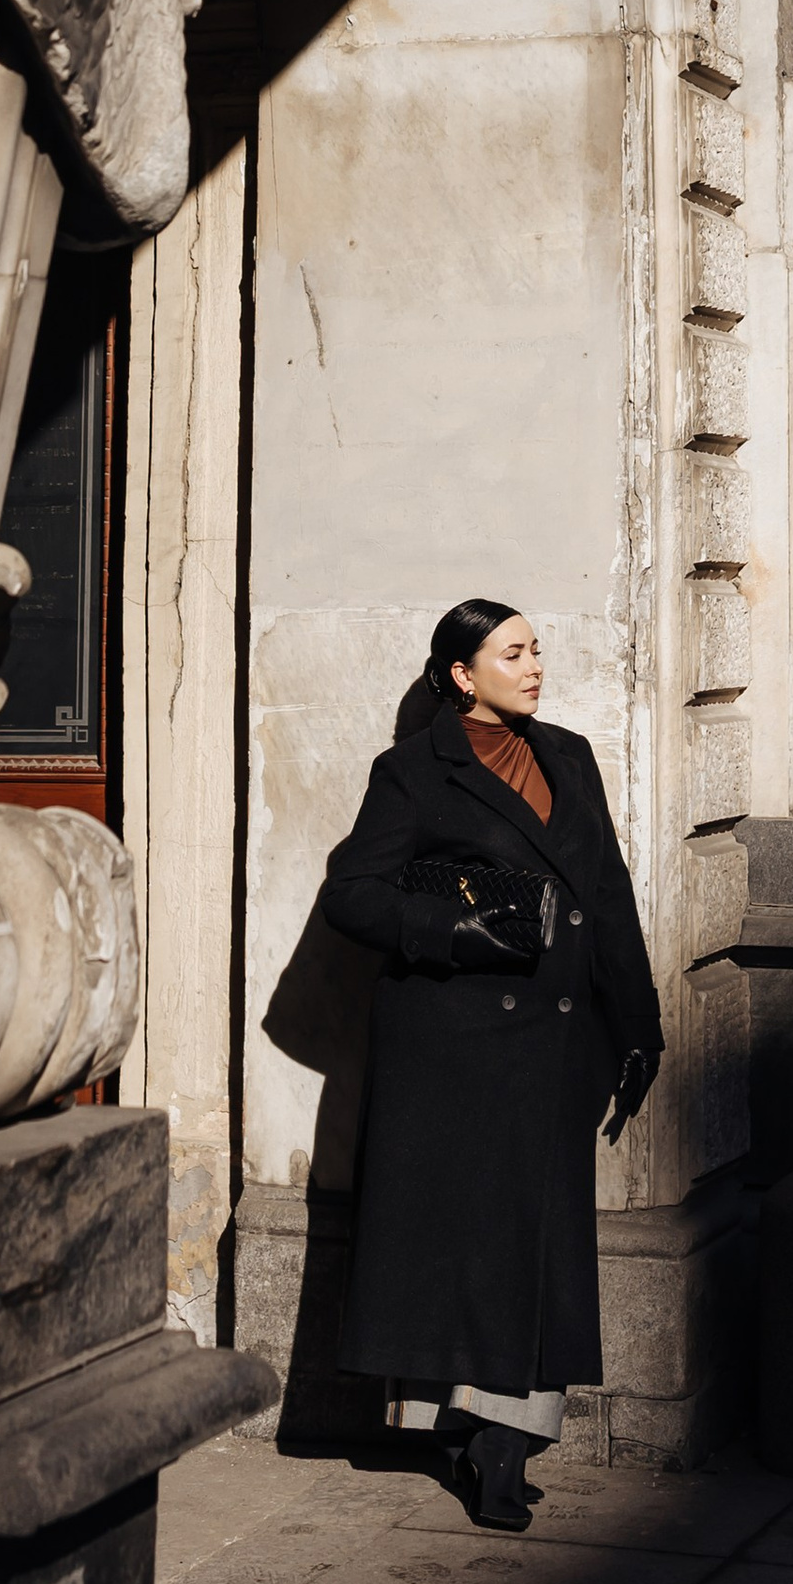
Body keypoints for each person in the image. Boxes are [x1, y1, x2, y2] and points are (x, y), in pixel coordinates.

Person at [322, 601, 663, 1531]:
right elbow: (350, 894)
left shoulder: (571, 755)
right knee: (470, 1246)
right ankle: (483, 1442)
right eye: (513, 653)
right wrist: (450, 928)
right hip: (455, 1044)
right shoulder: (412, 773)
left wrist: (639, 1020)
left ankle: (503, 1435)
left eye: (537, 648)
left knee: (538, 1242)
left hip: (556, 1039)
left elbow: (608, 892)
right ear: (464, 673)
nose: (535, 665)